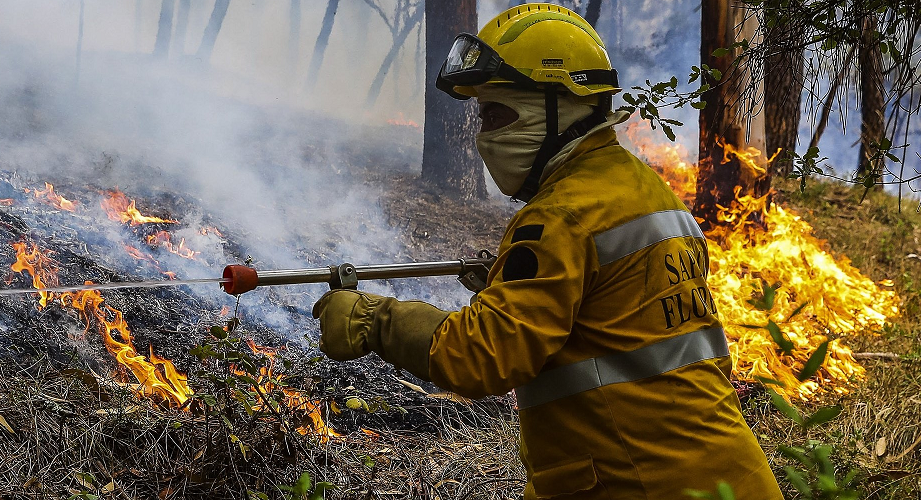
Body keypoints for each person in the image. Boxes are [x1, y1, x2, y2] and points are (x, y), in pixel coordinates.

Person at [313, 4, 784, 499]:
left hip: (645, 483)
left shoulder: (562, 216)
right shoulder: (648, 192)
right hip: (729, 477)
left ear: (561, 106)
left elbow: (481, 356)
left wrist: (373, 320)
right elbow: (614, 318)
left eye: (498, 114)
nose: (484, 137)